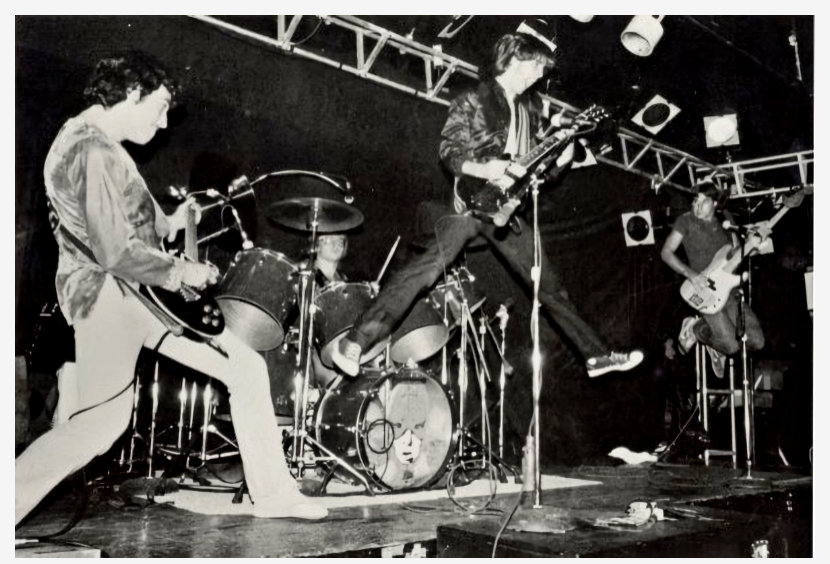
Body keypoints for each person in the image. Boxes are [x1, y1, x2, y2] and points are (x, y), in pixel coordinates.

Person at [15, 53, 326, 525]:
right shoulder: (88, 148)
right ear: (132, 93)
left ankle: (274, 495)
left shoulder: (100, 147)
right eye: (159, 107)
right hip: (110, 297)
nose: (163, 123)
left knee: (244, 367)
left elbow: (139, 226)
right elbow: (114, 249)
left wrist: (175, 221)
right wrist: (182, 272)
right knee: (100, 424)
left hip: (139, 298)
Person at [331, 32, 643, 379]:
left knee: (550, 287)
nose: (539, 75)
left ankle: (596, 357)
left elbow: (540, 172)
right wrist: (485, 169)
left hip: (508, 210)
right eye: (536, 66)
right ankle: (356, 341)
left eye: (543, 70)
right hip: (472, 203)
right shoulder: (472, 100)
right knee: (429, 269)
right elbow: (449, 152)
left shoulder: (531, 111)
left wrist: (564, 154)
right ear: (513, 59)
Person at [660, 182, 766, 377]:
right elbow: (666, 253)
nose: (697, 206)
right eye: (695, 201)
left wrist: (752, 246)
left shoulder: (726, 220)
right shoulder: (685, 221)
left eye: (703, 201)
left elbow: (735, 253)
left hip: (730, 291)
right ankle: (695, 328)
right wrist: (691, 274)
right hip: (704, 290)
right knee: (731, 347)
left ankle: (709, 336)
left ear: (715, 203)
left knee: (758, 342)